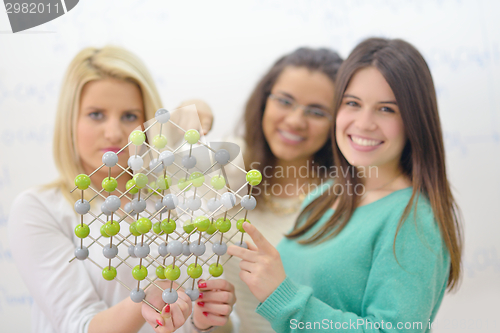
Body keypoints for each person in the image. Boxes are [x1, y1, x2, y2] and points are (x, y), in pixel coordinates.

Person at [228, 37, 463, 332]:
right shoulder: (325, 195)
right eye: (353, 103)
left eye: (387, 109)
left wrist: (282, 296)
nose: (364, 123)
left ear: (414, 120)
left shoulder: (414, 220)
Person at [8, 46, 235, 333]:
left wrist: (206, 322)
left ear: (146, 124)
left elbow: (206, 319)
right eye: (96, 114)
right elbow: (78, 326)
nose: (114, 133)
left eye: (129, 116)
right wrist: (147, 298)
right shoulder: (40, 208)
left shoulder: (174, 200)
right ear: (70, 120)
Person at [220, 47, 343, 332]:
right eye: (285, 101)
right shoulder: (231, 167)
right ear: (264, 101)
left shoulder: (343, 200)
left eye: (316, 112)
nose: (295, 120)